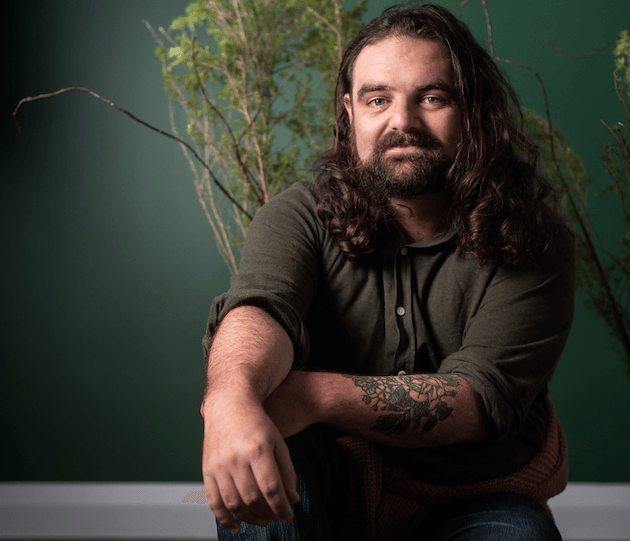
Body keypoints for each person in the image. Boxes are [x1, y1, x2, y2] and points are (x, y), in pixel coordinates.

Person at [200, 5, 574, 540]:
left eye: (432, 98)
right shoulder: (299, 213)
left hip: (475, 489)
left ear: (472, 111)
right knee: (265, 507)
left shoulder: (535, 238)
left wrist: (308, 396)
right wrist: (231, 400)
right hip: (325, 476)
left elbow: (473, 401)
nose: (403, 122)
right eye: (379, 100)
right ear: (350, 112)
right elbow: (260, 311)